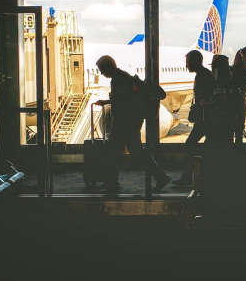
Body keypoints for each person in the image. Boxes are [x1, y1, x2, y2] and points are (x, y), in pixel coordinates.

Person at [93, 55, 170, 193]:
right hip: (130, 121)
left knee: (113, 152)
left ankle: (112, 184)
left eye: (102, 70)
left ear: (108, 68)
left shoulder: (119, 79)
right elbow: (125, 98)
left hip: (125, 122)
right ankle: (160, 177)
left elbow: (124, 100)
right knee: (134, 151)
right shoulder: (122, 77)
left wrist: (111, 102)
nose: (102, 73)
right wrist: (107, 102)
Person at [175, 49, 214, 185]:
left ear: (195, 62)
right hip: (204, 119)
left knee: (190, 145)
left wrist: (204, 104)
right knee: (199, 146)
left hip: (206, 119)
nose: (186, 65)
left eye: (188, 62)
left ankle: (189, 177)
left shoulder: (204, 76)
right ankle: (193, 176)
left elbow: (211, 97)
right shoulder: (203, 75)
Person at [206, 54, 237, 147]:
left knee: (215, 142)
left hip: (219, 117)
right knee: (227, 141)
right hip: (228, 117)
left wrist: (207, 102)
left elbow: (219, 99)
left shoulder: (218, 81)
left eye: (214, 66)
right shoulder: (231, 79)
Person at [231, 50, 246, 148]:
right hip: (240, 101)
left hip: (229, 102)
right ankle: (238, 149)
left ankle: (230, 151)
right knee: (239, 129)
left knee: (229, 128)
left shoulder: (230, 70)